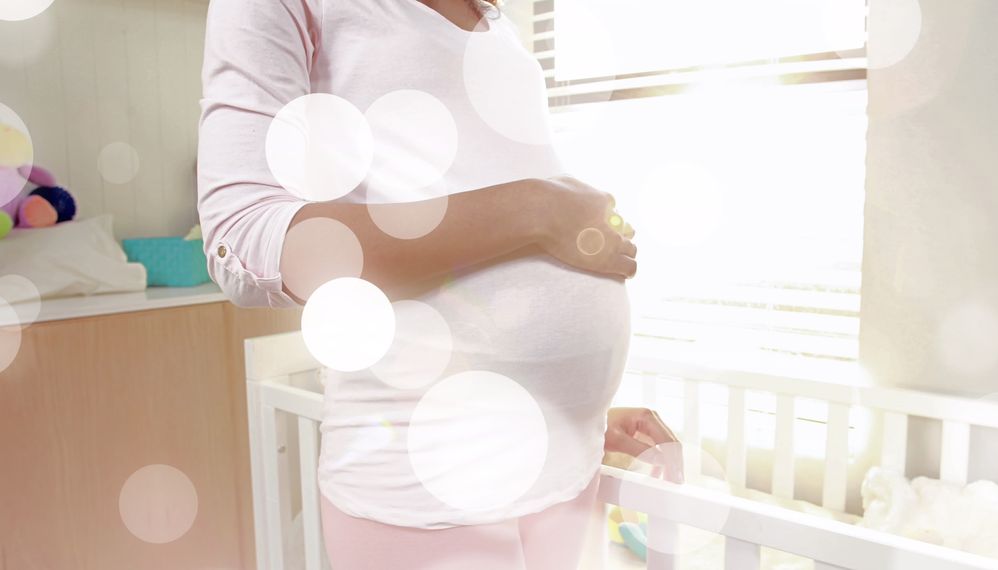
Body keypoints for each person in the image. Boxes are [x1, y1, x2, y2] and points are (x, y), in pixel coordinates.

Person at [197, 0, 681, 567]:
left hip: (565, 464)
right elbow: (242, 238)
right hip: (426, 478)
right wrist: (535, 208)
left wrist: (564, 405)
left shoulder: (500, 26)